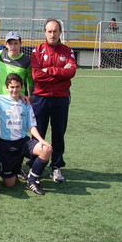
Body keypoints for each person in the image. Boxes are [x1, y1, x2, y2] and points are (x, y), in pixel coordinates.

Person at [31, 18, 76, 183]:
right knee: (38, 132)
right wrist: (58, 74)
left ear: (60, 33)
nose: (52, 34)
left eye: (55, 31)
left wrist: (48, 70)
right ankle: (34, 164)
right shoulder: (37, 51)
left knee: (59, 133)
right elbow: (36, 75)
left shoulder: (68, 51)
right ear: (45, 33)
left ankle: (56, 166)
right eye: (49, 31)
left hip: (60, 98)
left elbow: (70, 72)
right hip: (40, 97)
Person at [0, 73, 52, 195]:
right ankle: (10, 168)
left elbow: (31, 126)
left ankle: (32, 180)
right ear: (6, 87)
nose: (14, 89)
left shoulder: (26, 103)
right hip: (6, 146)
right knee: (9, 184)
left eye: (17, 87)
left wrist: (41, 140)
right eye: (12, 87)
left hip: (23, 142)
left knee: (46, 150)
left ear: (21, 87)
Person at [0, 31, 32, 96]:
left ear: (20, 43)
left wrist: (30, 97)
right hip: (2, 99)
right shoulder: (0, 55)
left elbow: (30, 82)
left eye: (15, 43)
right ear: (5, 44)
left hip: (20, 99)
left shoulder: (26, 61)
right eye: (10, 43)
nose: (13, 46)